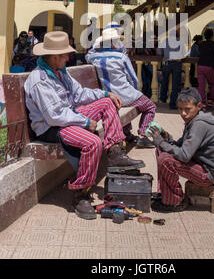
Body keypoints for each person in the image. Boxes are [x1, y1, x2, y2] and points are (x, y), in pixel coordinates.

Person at [24, 31, 143, 220]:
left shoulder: (60, 72)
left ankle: (114, 152)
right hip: (51, 128)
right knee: (93, 142)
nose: (67, 58)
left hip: (69, 117)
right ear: (55, 56)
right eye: (65, 55)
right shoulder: (40, 81)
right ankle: (80, 193)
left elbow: (79, 94)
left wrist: (104, 95)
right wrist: (86, 122)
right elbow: (55, 116)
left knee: (107, 104)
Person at [148, 87, 214, 213]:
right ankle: (166, 194)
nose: (183, 113)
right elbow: (181, 145)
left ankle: (174, 201)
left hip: (209, 173)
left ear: (199, 106)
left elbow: (184, 155)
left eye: (187, 109)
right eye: (180, 109)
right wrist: (166, 138)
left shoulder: (199, 125)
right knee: (161, 151)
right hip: (200, 165)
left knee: (166, 159)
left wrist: (161, 142)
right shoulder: (193, 121)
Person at [86, 28, 157, 148]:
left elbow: (88, 54)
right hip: (125, 96)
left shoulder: (93, 57)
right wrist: (136, 91)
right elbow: (133, 79)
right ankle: (143, 135)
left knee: (123, 108)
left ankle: (126, 133)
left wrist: (97, 45)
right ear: (114, 42)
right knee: (150, 106)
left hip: (109, 98)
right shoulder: (121, 57)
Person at [159, 28, 185, 110]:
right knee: (175, 84)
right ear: (177, 35)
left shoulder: (164, 41)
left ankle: (163, 98)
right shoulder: (180, 41)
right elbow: (183, 54)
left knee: (164, 81)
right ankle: (172, 103)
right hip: (177, 63)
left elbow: (159, 52)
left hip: (166, 63)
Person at [197, 28, 214, 109]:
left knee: (201, 85)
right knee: (213, 84)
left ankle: (202, 103)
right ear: (212, 36)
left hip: (200, 65)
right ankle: (211, 100)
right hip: (210, 66)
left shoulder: (200, 44)